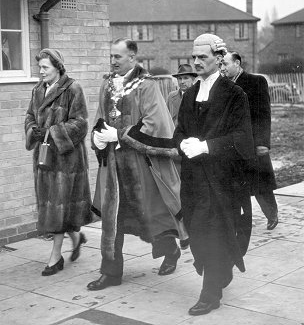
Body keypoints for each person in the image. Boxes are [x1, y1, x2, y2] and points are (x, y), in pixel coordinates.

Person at [87, 38, 187, 291]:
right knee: (112, 218)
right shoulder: (107, 84)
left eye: (117, 57)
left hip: (141, 165)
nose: (112, 61)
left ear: (132, 57)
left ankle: (170, 251)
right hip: (112, 164)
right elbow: (100, 116)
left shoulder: (147, 85)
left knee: (150, 214)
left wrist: (119, 135)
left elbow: (155, 123)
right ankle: (111, 272)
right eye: (111, 56)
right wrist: (97, 137)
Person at [173, 33, 254, 316]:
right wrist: (183, 143)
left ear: (219, 59)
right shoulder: (190, 95)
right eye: (193, 57)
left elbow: (242, 138)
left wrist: (207, 146)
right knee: (196, 233)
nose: (196, 62)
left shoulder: (235, 95)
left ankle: (211, 294)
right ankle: (221, 273)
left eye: (202, 57)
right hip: (194, 179)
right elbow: (179, 131)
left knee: (213, 234)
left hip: (221, 180)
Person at [25, 49, 92, 276]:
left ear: (58, 67)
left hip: (67, 160)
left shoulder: (73, 88)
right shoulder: (37, 90)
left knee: (59, 205)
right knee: (56, 206)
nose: (40, 71)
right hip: (44, 158)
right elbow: (29, 116)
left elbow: (81, 123)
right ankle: (76, 236)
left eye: (45, 67)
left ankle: (55, 257)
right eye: (39, 67)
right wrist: (32, 130)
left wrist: (52, 132)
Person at [220, 52, 278, 230]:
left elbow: (263, 114)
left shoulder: (256, 81)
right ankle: (241, 221)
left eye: (225, 64)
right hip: (233, 143)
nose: (222, 68)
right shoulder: (223, 86)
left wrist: (262, 142)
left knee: (260, 182)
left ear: (237, 63)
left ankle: (271, 214)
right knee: (237, 183)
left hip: (254, 142)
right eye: (220, 65)